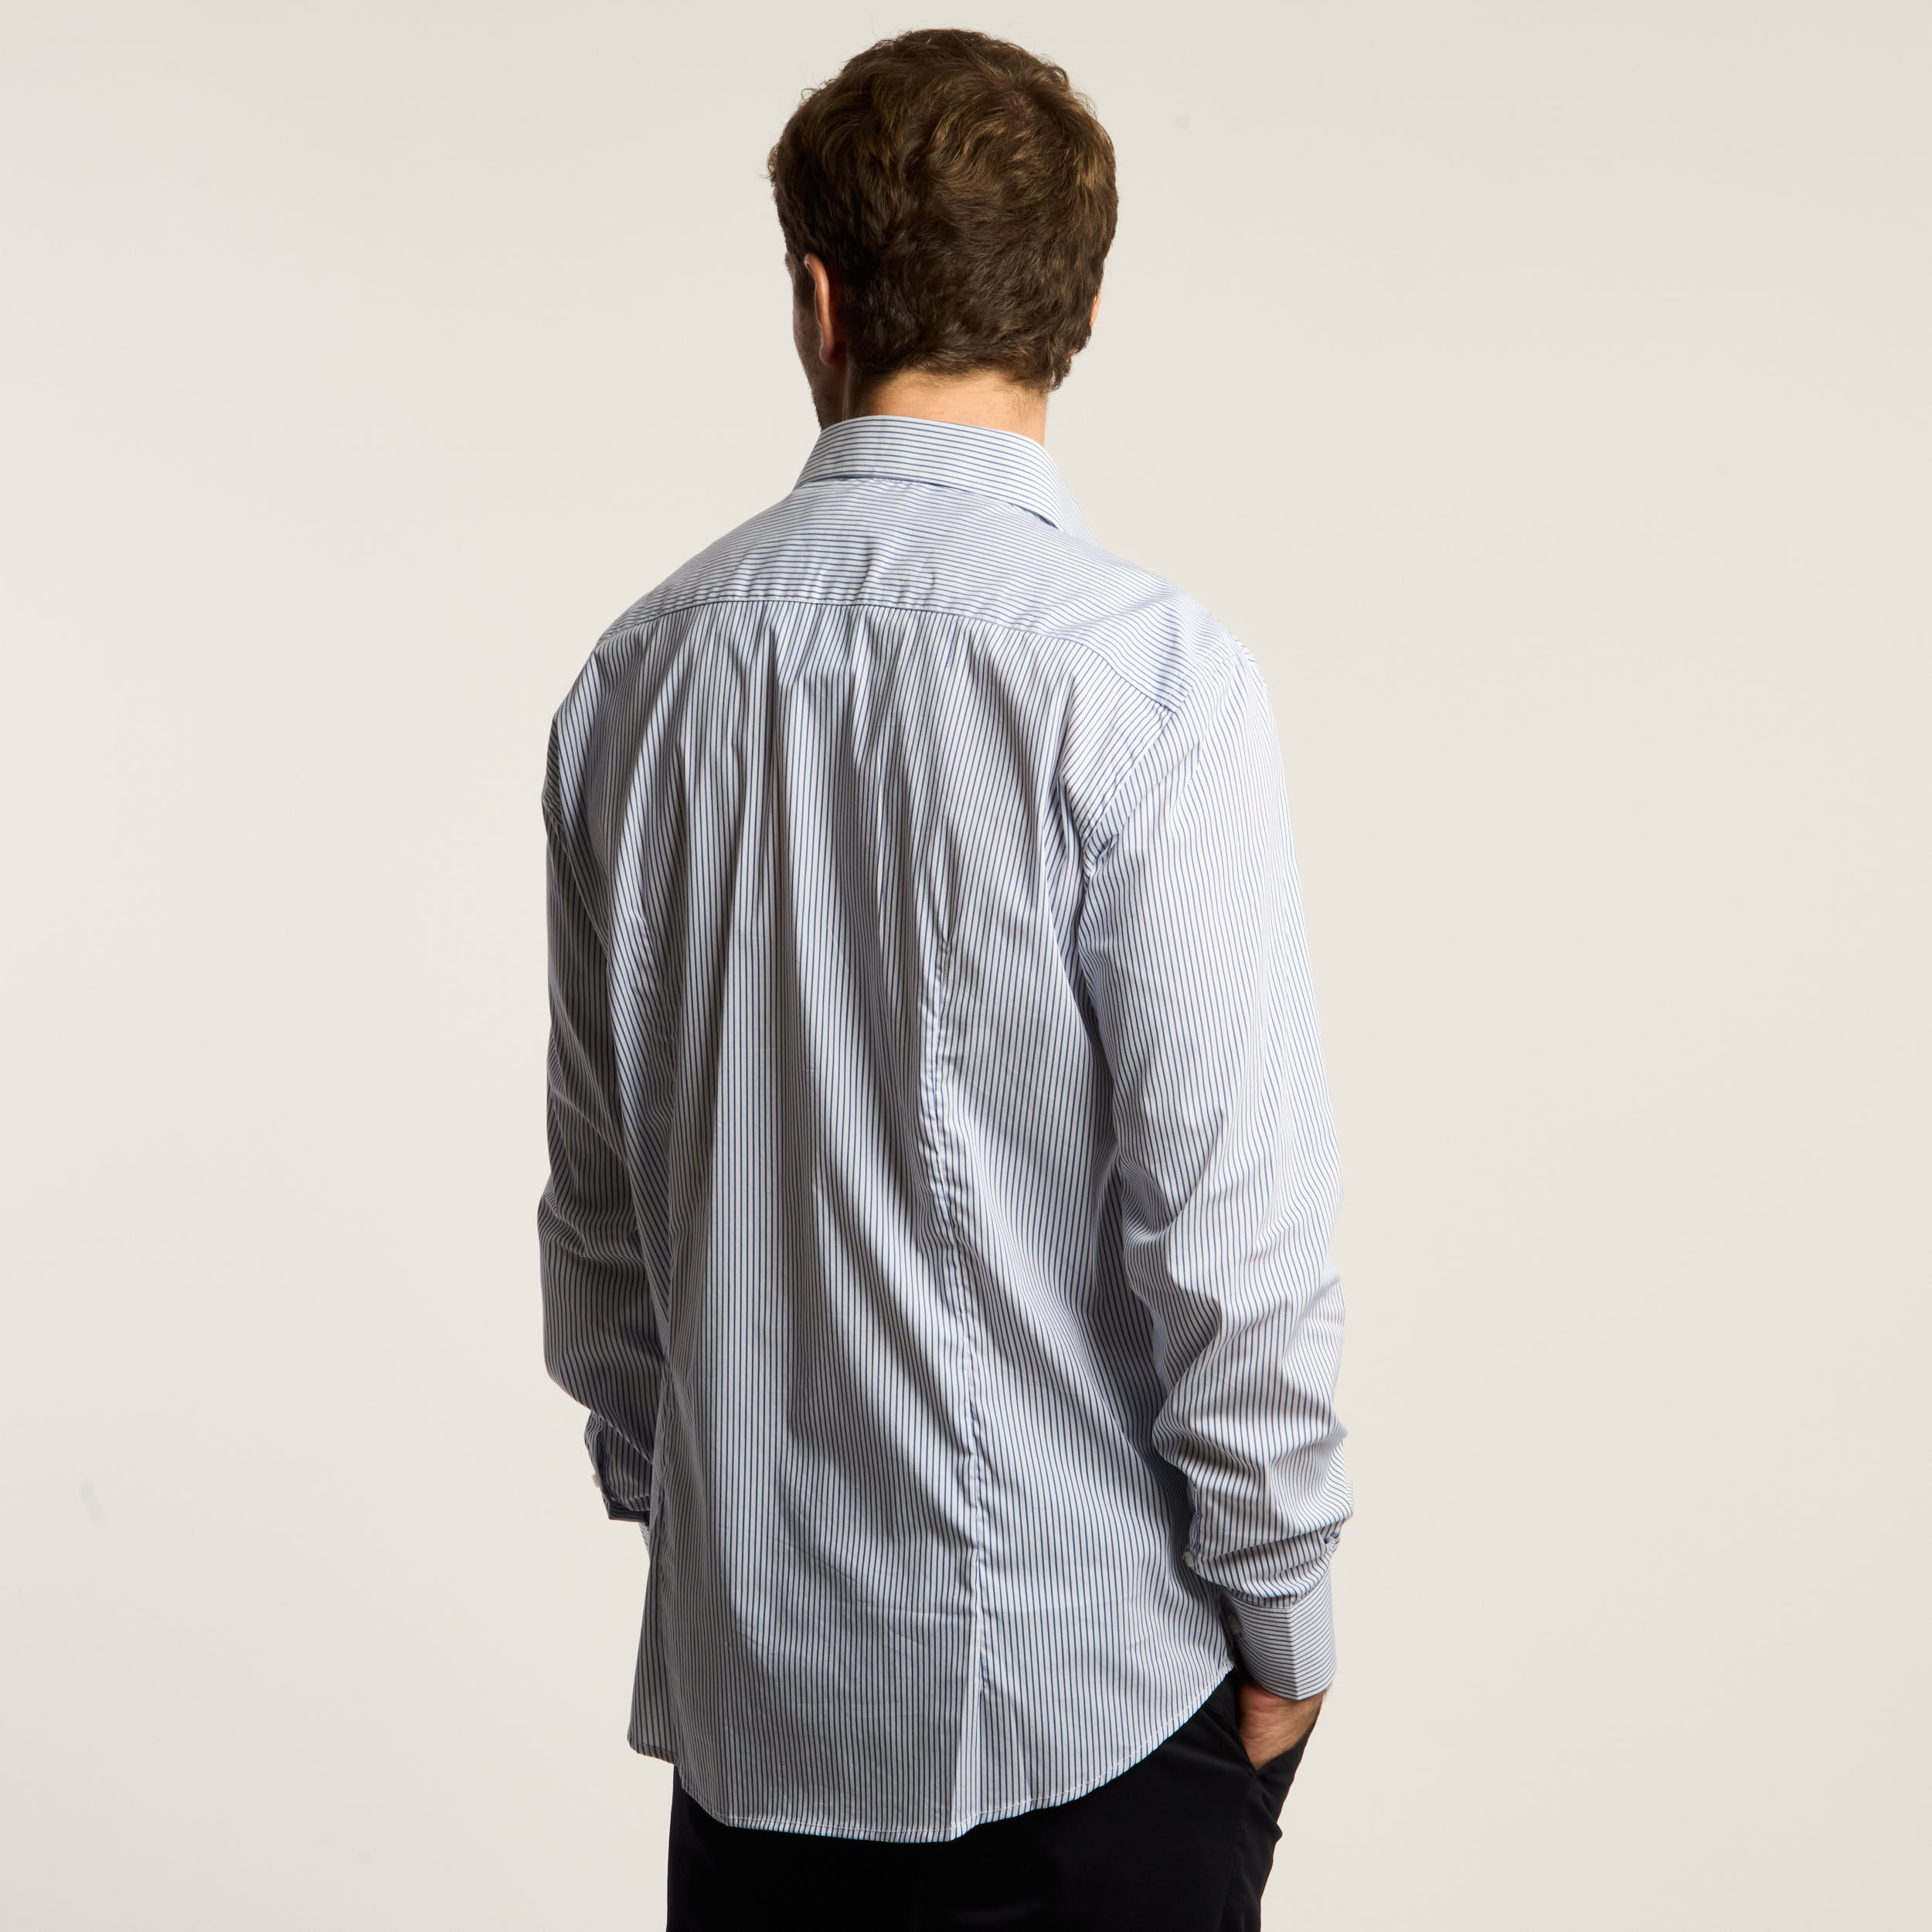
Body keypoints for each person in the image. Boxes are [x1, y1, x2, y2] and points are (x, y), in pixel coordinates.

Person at [539, 28, 1351, 1930]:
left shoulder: (631, 686)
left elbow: (603, 1225)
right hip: (1096, 1733)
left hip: (758, 1747)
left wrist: (714, 1529)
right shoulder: (1149, 685)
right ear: (1077, 313)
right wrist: (1284, 1617)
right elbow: (1230, 1235)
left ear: (817, 302)